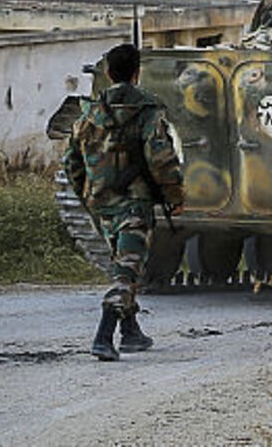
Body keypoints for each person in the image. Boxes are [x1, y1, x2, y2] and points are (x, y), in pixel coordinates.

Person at [63, 43, 185, 362]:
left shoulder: (89, 113)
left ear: (107, 72)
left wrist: (87, 195)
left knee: (123, 263)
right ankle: (103, 336)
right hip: (134, 205)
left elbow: (71, 162)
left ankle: (130, 331)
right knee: (127, 273)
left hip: (101, 204)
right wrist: (174, 196)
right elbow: (162, 159)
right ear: (137, 73)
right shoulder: (148, 111)